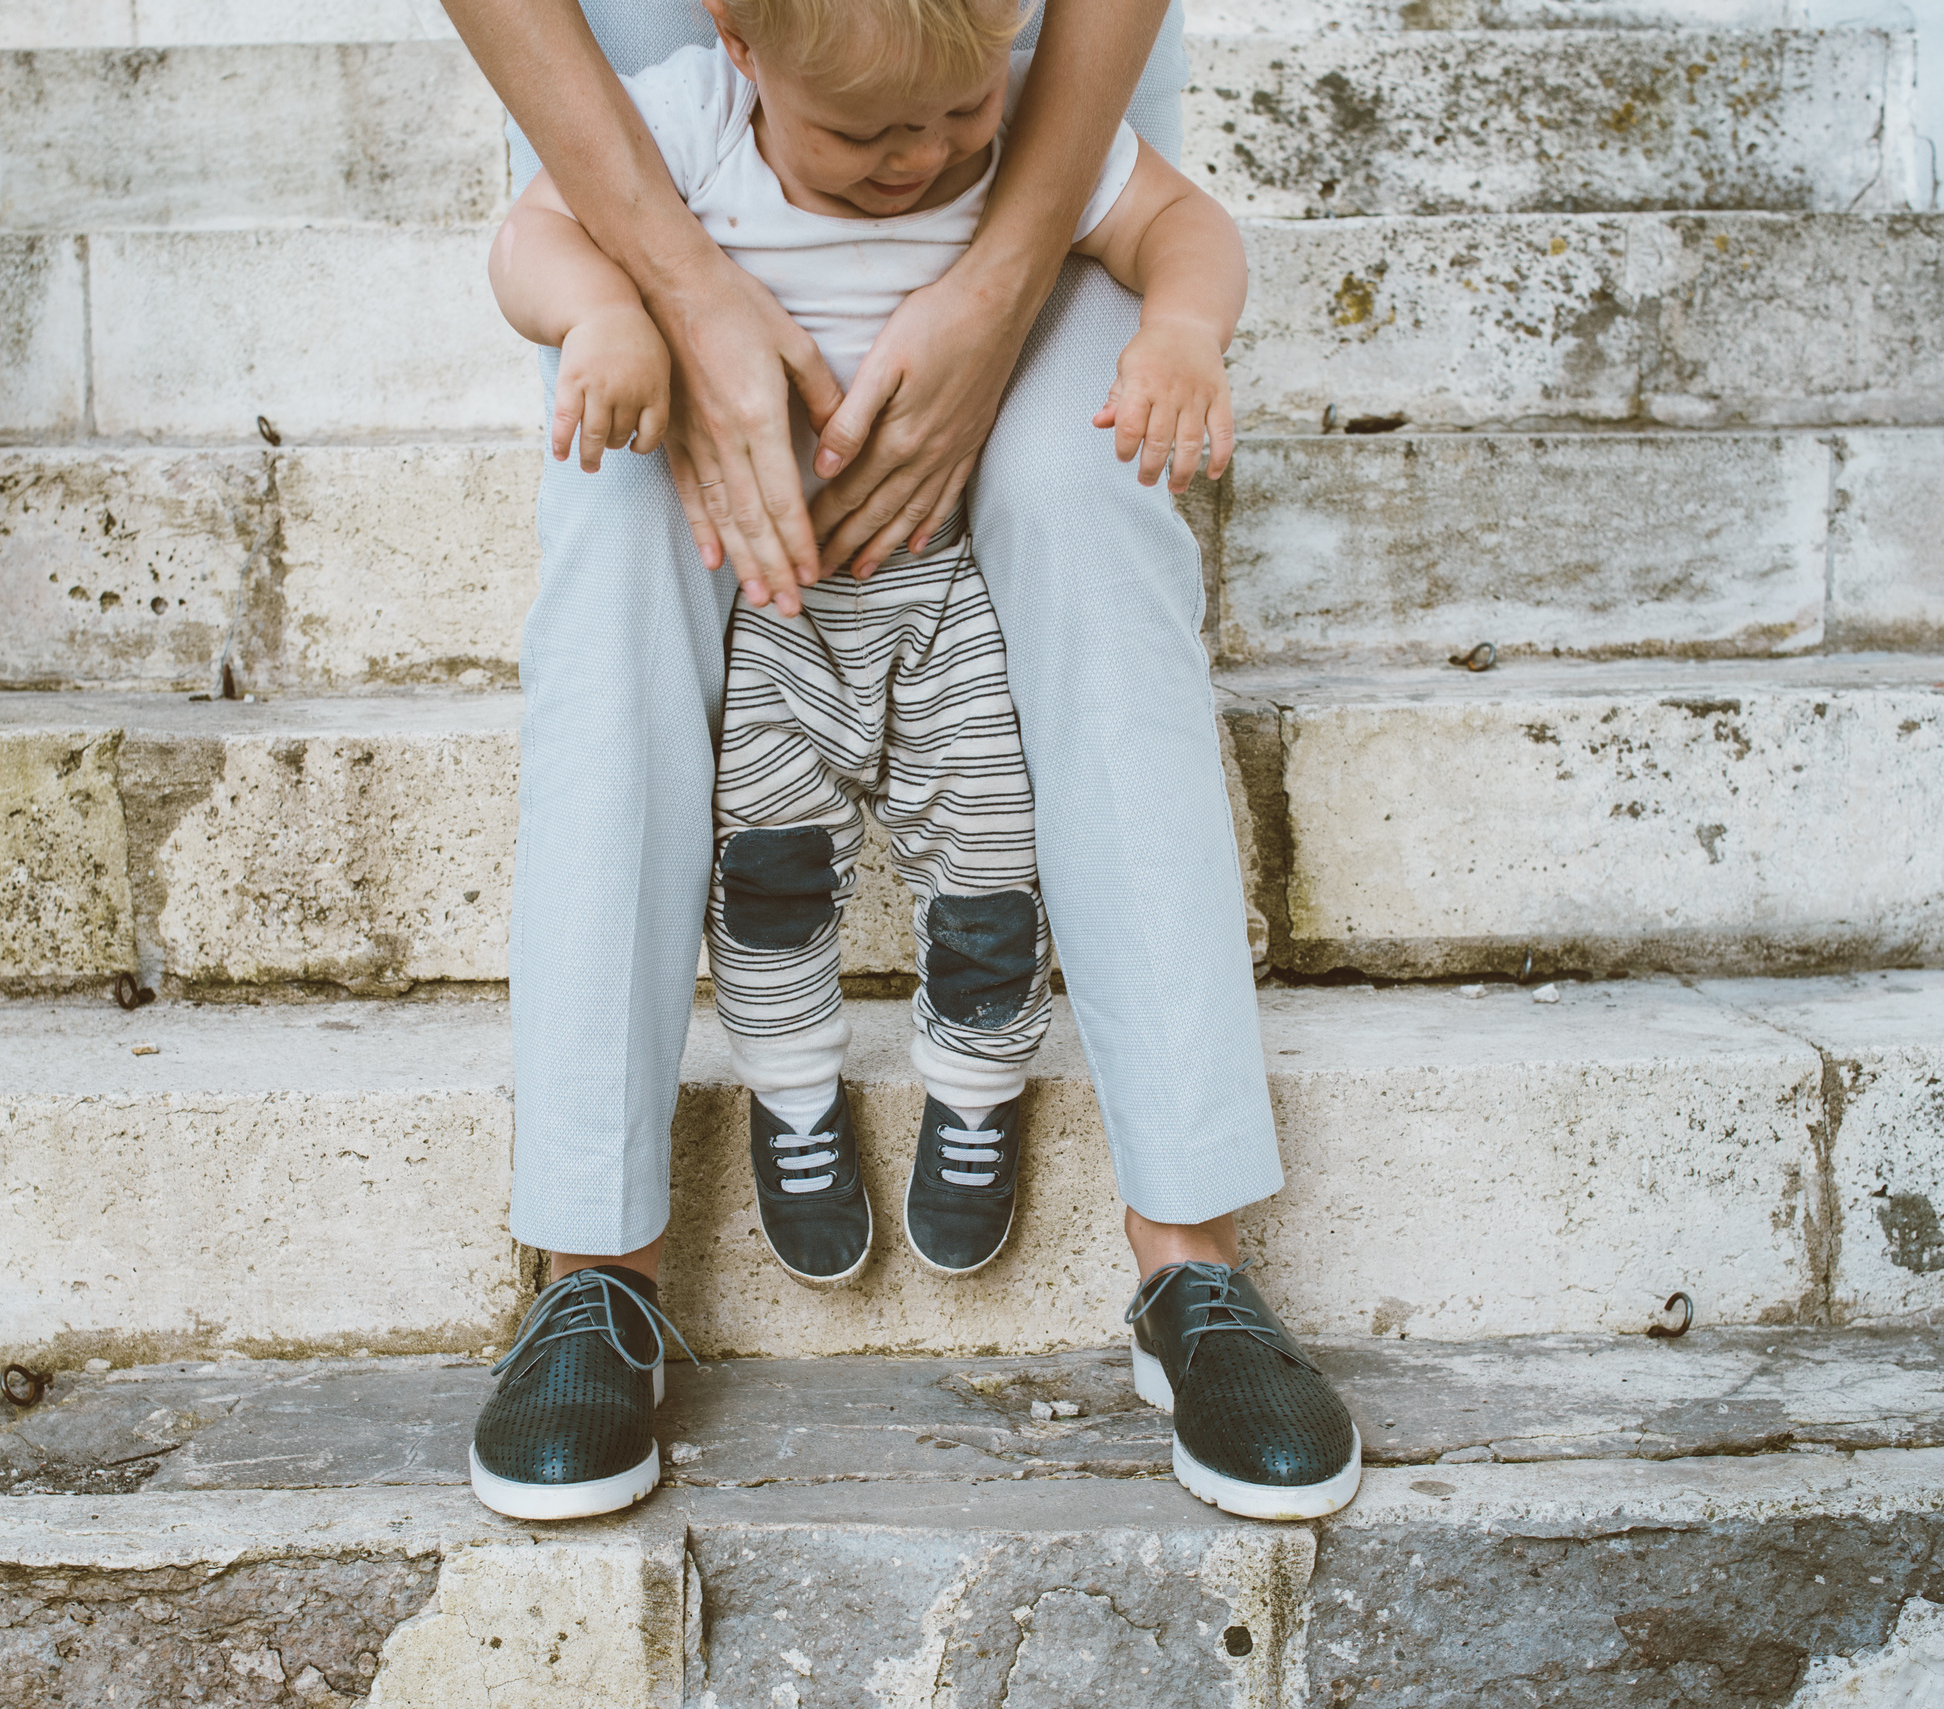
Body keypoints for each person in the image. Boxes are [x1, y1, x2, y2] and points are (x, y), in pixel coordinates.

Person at [445, 0, 1363, 1526]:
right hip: (685, 143)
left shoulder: (990, 92)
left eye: (942, 130)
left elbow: (1169, 228)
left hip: (1018, 117)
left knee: (1090, 489)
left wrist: (1060, 289)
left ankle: (1191, 1250)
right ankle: (593, 1264)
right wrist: (640, 300)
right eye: (870, 139)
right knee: (616, 526)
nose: (912, 162)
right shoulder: (702, 109)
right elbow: (530, 246)